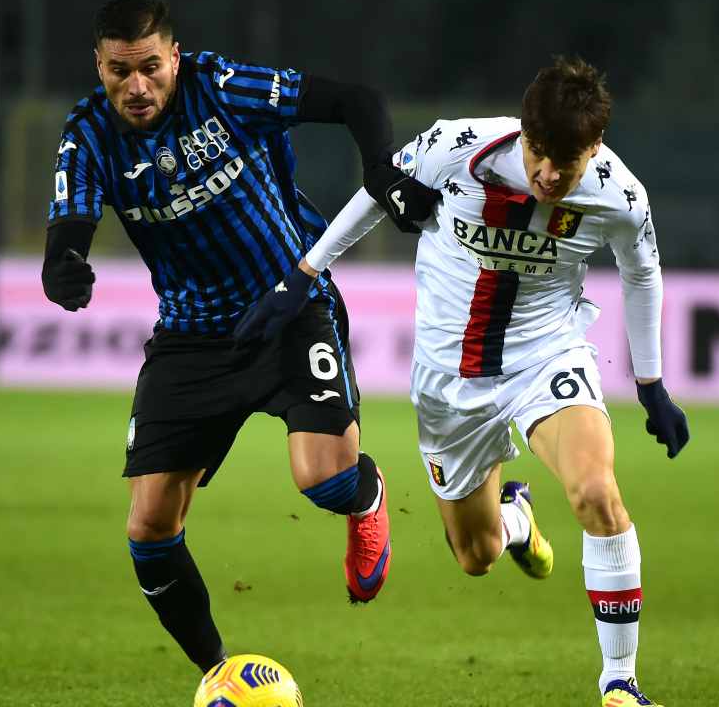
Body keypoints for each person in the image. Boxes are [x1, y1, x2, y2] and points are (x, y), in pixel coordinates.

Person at [235, 56, 690, 706]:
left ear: (595, 147)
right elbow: (376, 192)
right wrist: (304, 274)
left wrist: (650, 383)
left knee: (595, 491)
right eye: (540, 154)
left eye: (569, 160)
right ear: (524, 131)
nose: (550, 174)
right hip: (450, 383)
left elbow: (643, 273)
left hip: (546, 358)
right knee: (475, 555)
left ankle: (619, 683)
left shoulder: (620, 195)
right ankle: (515, 519)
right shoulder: (460, 147)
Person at [39, 0, 439, 674]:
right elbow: (66, 235)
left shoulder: (221, 86)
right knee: (149, 527)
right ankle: (222, 674)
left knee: (324, 481)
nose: (136, 87)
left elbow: (357, 100)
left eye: (150, 68)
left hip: (287, 305)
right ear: (98, 66)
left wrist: (380, 171)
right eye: (118, 72)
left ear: (174, 55)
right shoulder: (87, 134)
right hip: (191, 337)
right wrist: (64, 268)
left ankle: (367, 497)